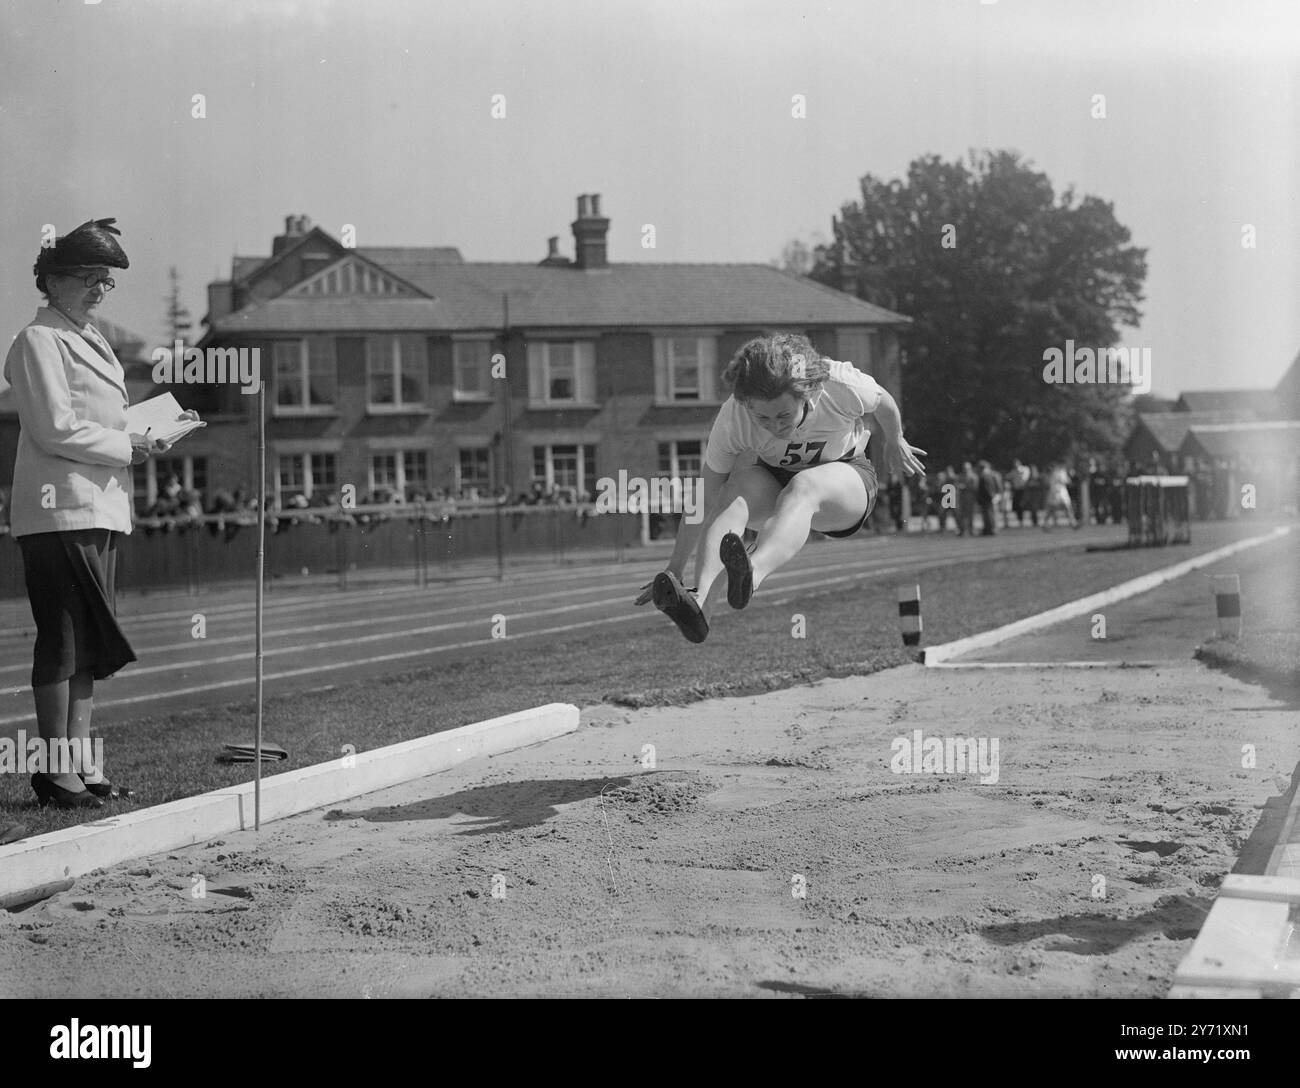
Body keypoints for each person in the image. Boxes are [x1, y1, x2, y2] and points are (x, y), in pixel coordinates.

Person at [2, 218, 199, 808]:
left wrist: (146, 433)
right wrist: (126, 444)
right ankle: (55, 773)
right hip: (58, 509)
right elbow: (52, 426)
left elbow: (98, 421)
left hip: (100, 507)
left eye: (104, 281)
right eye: (86, 278)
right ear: (52, 280)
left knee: (89, 643)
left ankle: (82, 765)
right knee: (62, 642)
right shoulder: (38, 340)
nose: (96, 289)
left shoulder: (90, 339)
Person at [633, 333, 925, 642]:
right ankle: (700, 604)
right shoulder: (734, 416)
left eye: (784, 414)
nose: (775, 426)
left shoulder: (839, 385)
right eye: (763, 418)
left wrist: (896, 439)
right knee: (734, 491)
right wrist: (675, 567)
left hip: (847, 482)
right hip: (775, 480)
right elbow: (704, 497)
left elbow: (884, 403)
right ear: (747, 405)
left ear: (807, 393)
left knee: (804, 486)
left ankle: (752, 573)